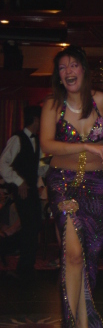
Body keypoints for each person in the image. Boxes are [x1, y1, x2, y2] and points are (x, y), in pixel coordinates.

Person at [40, 45, 103, 328]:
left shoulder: (101, 101)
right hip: (64, 184)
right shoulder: (53, 105)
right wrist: (86, 147)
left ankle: (85, 327)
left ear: (83, 70)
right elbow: (47, 146)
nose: (68, 71)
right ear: (59, 75)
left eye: (73, 65)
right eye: (62, 67)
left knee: (90, 258)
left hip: (98, 187)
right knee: (73, 255)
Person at [0, 105, 46, 279]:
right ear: (36, 119)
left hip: (32, 189)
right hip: (22, 192)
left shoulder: (38, 141)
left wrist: (48, 163)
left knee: (33, 226)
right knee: (30, 226)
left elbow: (40, 168)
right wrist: (19, 181)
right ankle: (24, 269)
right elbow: (2, 164)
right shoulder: (17, 139)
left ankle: (14, 255)